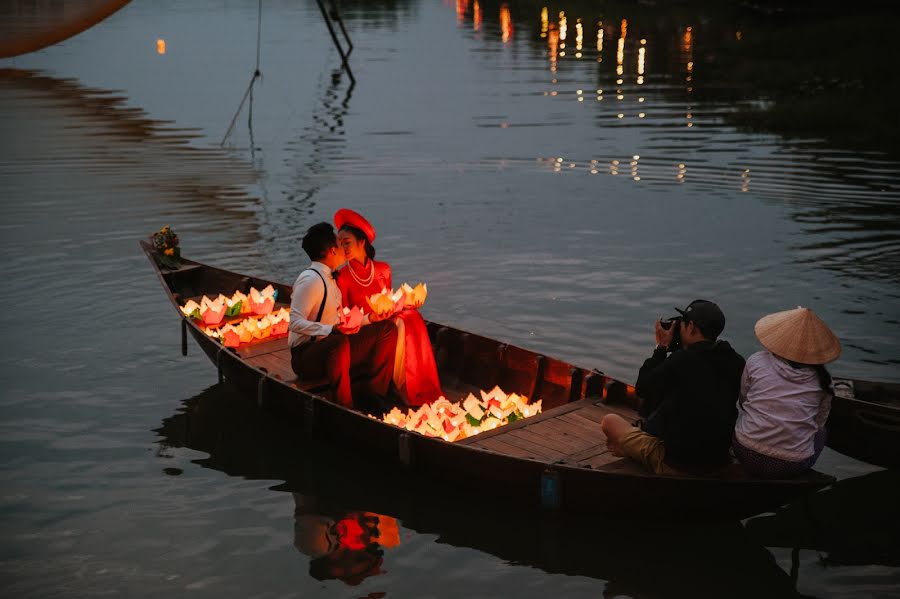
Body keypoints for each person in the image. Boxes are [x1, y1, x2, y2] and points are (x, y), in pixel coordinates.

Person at [600, 299, 746, 475]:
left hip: (677, 465)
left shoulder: (681, 360)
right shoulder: (737, 361)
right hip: (718, 460)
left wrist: (661, 347)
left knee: (610, 421)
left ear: (691, 327)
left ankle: (631, 451)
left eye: (682, 323)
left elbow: (643, 388)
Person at [333, 208, 443, 407]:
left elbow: (389, 302)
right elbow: (345, 317)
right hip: (362, 331)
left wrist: (409, 303)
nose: (344, 248)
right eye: (340, 244)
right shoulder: (343, 276)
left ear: (361, 242)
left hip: (384, 321)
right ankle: (397, 388)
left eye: (347, 242)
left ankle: (411, 386)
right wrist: (371, 317)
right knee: (395, 325)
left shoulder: (383, 269)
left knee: (411, 316)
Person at [289, 222, 398, 411]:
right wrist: (330, 330)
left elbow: (338, 322)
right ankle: (345, 407)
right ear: (332, 251)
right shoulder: (310, 279)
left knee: (386, 329)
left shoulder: (332, 277)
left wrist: (369, 319)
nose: (344, 250)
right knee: (338, 342)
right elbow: (295, 323)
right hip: (306, 358)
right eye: (340, 245)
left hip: (332, 345)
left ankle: (375, 394)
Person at [733, 307, 840, 478]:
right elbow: (819, 422)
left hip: (746, 452)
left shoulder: (756, 361)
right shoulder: (824, 381)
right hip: (790, 464)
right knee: (822, 432)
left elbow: (744, 400)